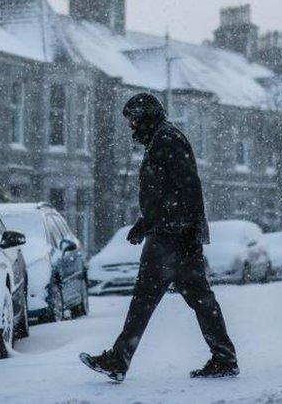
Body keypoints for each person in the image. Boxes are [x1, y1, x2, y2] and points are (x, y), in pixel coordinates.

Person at [80, 93, 238, 382]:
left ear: (147, 116)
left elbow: (186, 188)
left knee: (145, 299)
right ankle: (224, 357)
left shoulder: (167, 140)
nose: (131, 126)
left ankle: (119, 359)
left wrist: (178, 229)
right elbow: (168, 193)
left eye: (134, 119)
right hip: (174, 232)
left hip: (171, 236)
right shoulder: (162, 139)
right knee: (200, 299)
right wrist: (146, 223)